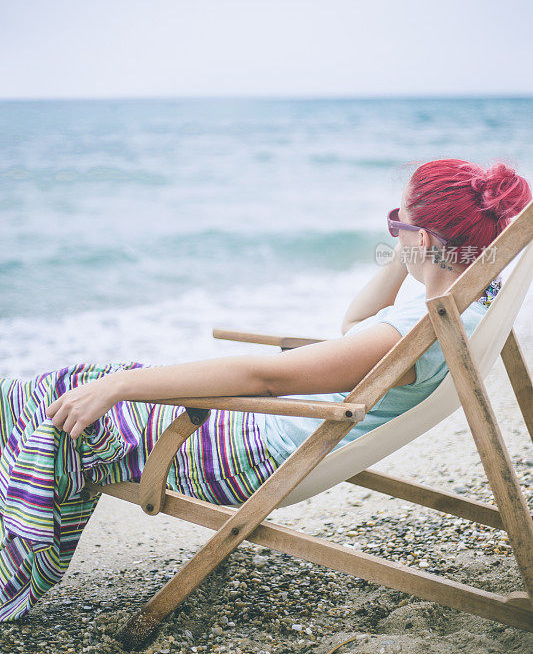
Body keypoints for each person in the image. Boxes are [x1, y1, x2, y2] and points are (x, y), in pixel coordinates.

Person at [0, 158, 530, 621]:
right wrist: (416, 246)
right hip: (278, 435)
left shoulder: (409, 332)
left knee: (64, 403)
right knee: (78, 387)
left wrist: (122, 387)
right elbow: (357, 324)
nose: (392, 234)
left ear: (425, 239)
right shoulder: (471, 302)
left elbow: (265, 378)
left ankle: (17, 561)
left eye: (397, 224)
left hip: (248, 456)